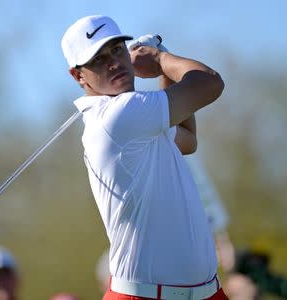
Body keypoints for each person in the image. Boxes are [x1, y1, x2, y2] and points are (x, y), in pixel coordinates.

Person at [61, 15, 226, 300]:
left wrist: (163, 72)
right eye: (98, 59)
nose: (114, 62)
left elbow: (187, 139)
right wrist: (160, 58)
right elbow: (210, 83)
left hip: (206, 293)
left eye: (117, 50)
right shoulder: (119, 116)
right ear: (78, 76)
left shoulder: (137, 119)